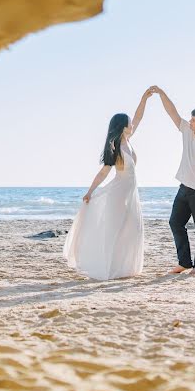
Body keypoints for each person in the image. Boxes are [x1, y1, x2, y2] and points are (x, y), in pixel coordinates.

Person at [63, 89, 152, 280]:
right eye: (128, 122)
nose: (131, 124)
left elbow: (138, 117)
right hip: (119, 193)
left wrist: (144, 98)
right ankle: (112, 268)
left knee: (132, 229)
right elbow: (104, 172)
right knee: (117, 230)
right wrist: (90, 191)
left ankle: (125, 268)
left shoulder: (128, 140)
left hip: (130, 193)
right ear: (122, 126)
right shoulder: (116, 148)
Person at [150, 86, 195, 275]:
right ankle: (184, 263)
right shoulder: (187, 132)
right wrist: (161, 93)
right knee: (175, 223)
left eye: (193, 120)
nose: (189, 122)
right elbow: (172, 113)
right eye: (190, 120)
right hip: (183, 188)